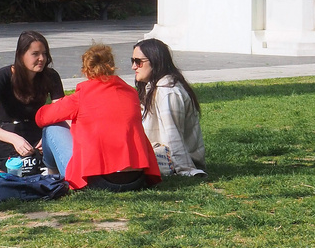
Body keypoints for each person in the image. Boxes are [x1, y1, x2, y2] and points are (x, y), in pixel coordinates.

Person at [36, 43, 161, 191]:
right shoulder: (131, 93)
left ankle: (52, 175)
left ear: (86, 70)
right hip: (136, 178)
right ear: (112, 66)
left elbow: (42, 117)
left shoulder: (82, 96)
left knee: (51, 129)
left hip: (99, 180)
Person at [0, 30, 64, 170]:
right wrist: (14, 140)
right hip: (7, 134)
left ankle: (17, 162)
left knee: (65, 133)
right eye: (35, 54)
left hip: (36, 134)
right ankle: (23, 160)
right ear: (20, 55)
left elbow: (61, 114)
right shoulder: (1, 77)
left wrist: (49, 139)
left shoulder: (51, 76)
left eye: (44, 54)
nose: (41, 59)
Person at [132, 38, 205, 177]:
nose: (134, 67)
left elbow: (173, 136)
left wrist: (185, 169)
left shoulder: (167, 92)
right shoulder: (153, 87)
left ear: (155, 61)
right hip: (161, 155)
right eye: (133, 61)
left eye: (138, 62)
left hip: (170, 161)